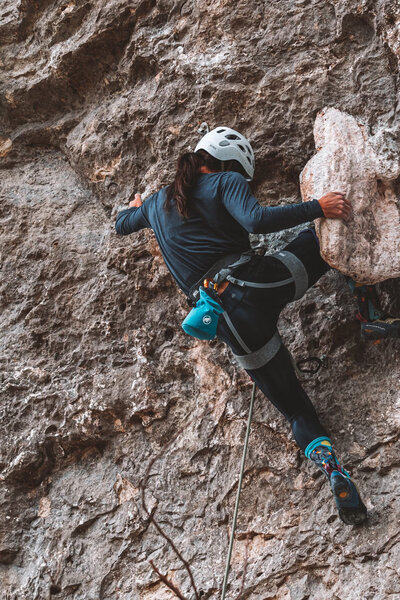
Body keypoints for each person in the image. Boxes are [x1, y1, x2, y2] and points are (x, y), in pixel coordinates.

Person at [116, 126, 374, 526]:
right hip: (254, 284)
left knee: (295, 409)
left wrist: (136, 206)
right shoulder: (225, 180)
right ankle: (370, 311)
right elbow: (255, 220)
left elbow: (120, 224)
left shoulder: (154, 203)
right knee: (322, 240)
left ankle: (334, 470)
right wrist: (318, 207)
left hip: (223, 322)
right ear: (227, 162)